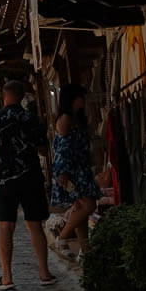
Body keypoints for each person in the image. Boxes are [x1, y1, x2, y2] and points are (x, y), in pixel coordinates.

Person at [0, 79, 56, 290]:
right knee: (35, 225)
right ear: (22, 96)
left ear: (4, 95)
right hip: (31, 177)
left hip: (5, 179)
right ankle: (44, 273)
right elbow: (42, 148)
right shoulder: (31, 118)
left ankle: (7, 277)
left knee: (5, 226)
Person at [51, 83, 102, 257]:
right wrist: (63, 171)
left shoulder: (77, 117)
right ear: (73, 98)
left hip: (81, 167)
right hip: (72, 171)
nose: (84, 99)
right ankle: (63, 237)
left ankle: (85, 251)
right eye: (81, 96)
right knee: (89, 205)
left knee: (80, 207)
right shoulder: (65, 118)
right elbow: (62, 148)